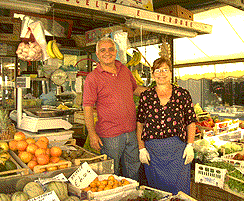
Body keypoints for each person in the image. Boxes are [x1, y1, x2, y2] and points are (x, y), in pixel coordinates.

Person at [83, 37, 146, 181]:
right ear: (97, 54)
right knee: (111, 175)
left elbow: (135, 90)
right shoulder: (92, 78)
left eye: (111, 49)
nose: (107, 53)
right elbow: (87, 107)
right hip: (109, 135)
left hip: (132, 132)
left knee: (133, 171)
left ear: (116, 52)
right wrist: (92, 134)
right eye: (102, 50)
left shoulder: (124, 70)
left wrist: (158, 91)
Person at [136, 57, 196, 195]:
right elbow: (140, 123)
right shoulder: (146, 96)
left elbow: (191, 121)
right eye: (157, 70)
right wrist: (141, 148)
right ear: (152, 74)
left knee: (179, 190)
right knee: (156, 191)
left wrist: (190, 145)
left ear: (170, 73)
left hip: (177, 152)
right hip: (153, 153)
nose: (161, 73)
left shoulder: (183, 94)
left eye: (165, 70)